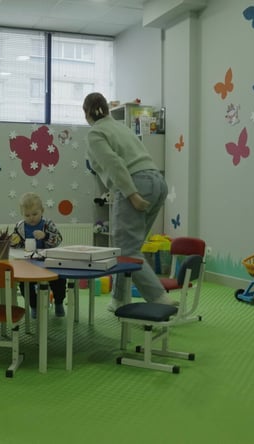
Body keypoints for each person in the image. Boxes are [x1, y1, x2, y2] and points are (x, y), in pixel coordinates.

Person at [82, 92, 178, 312]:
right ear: (107, 109)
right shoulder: (121, 127)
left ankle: (159, 297)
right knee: (129, 248)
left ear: (86, 113)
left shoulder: (95, 133)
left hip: (136, 184)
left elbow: (113, 163)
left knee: (125, 250)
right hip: (157, 182)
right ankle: (119, 299)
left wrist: (131, 194)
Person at [9, 192, 67, 318]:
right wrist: (14, 241)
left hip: (48, 262)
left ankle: (59, 302)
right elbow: (15, 244)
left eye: (35, 214)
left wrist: (45, 236)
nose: (31, 218)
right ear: (22, 214)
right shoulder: (20, 227)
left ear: (42, 211)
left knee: (60, 280)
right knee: (25, 285)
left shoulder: (47, 224)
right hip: (28, 264)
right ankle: (34, 306)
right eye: (27, 215)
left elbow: (58, 239)